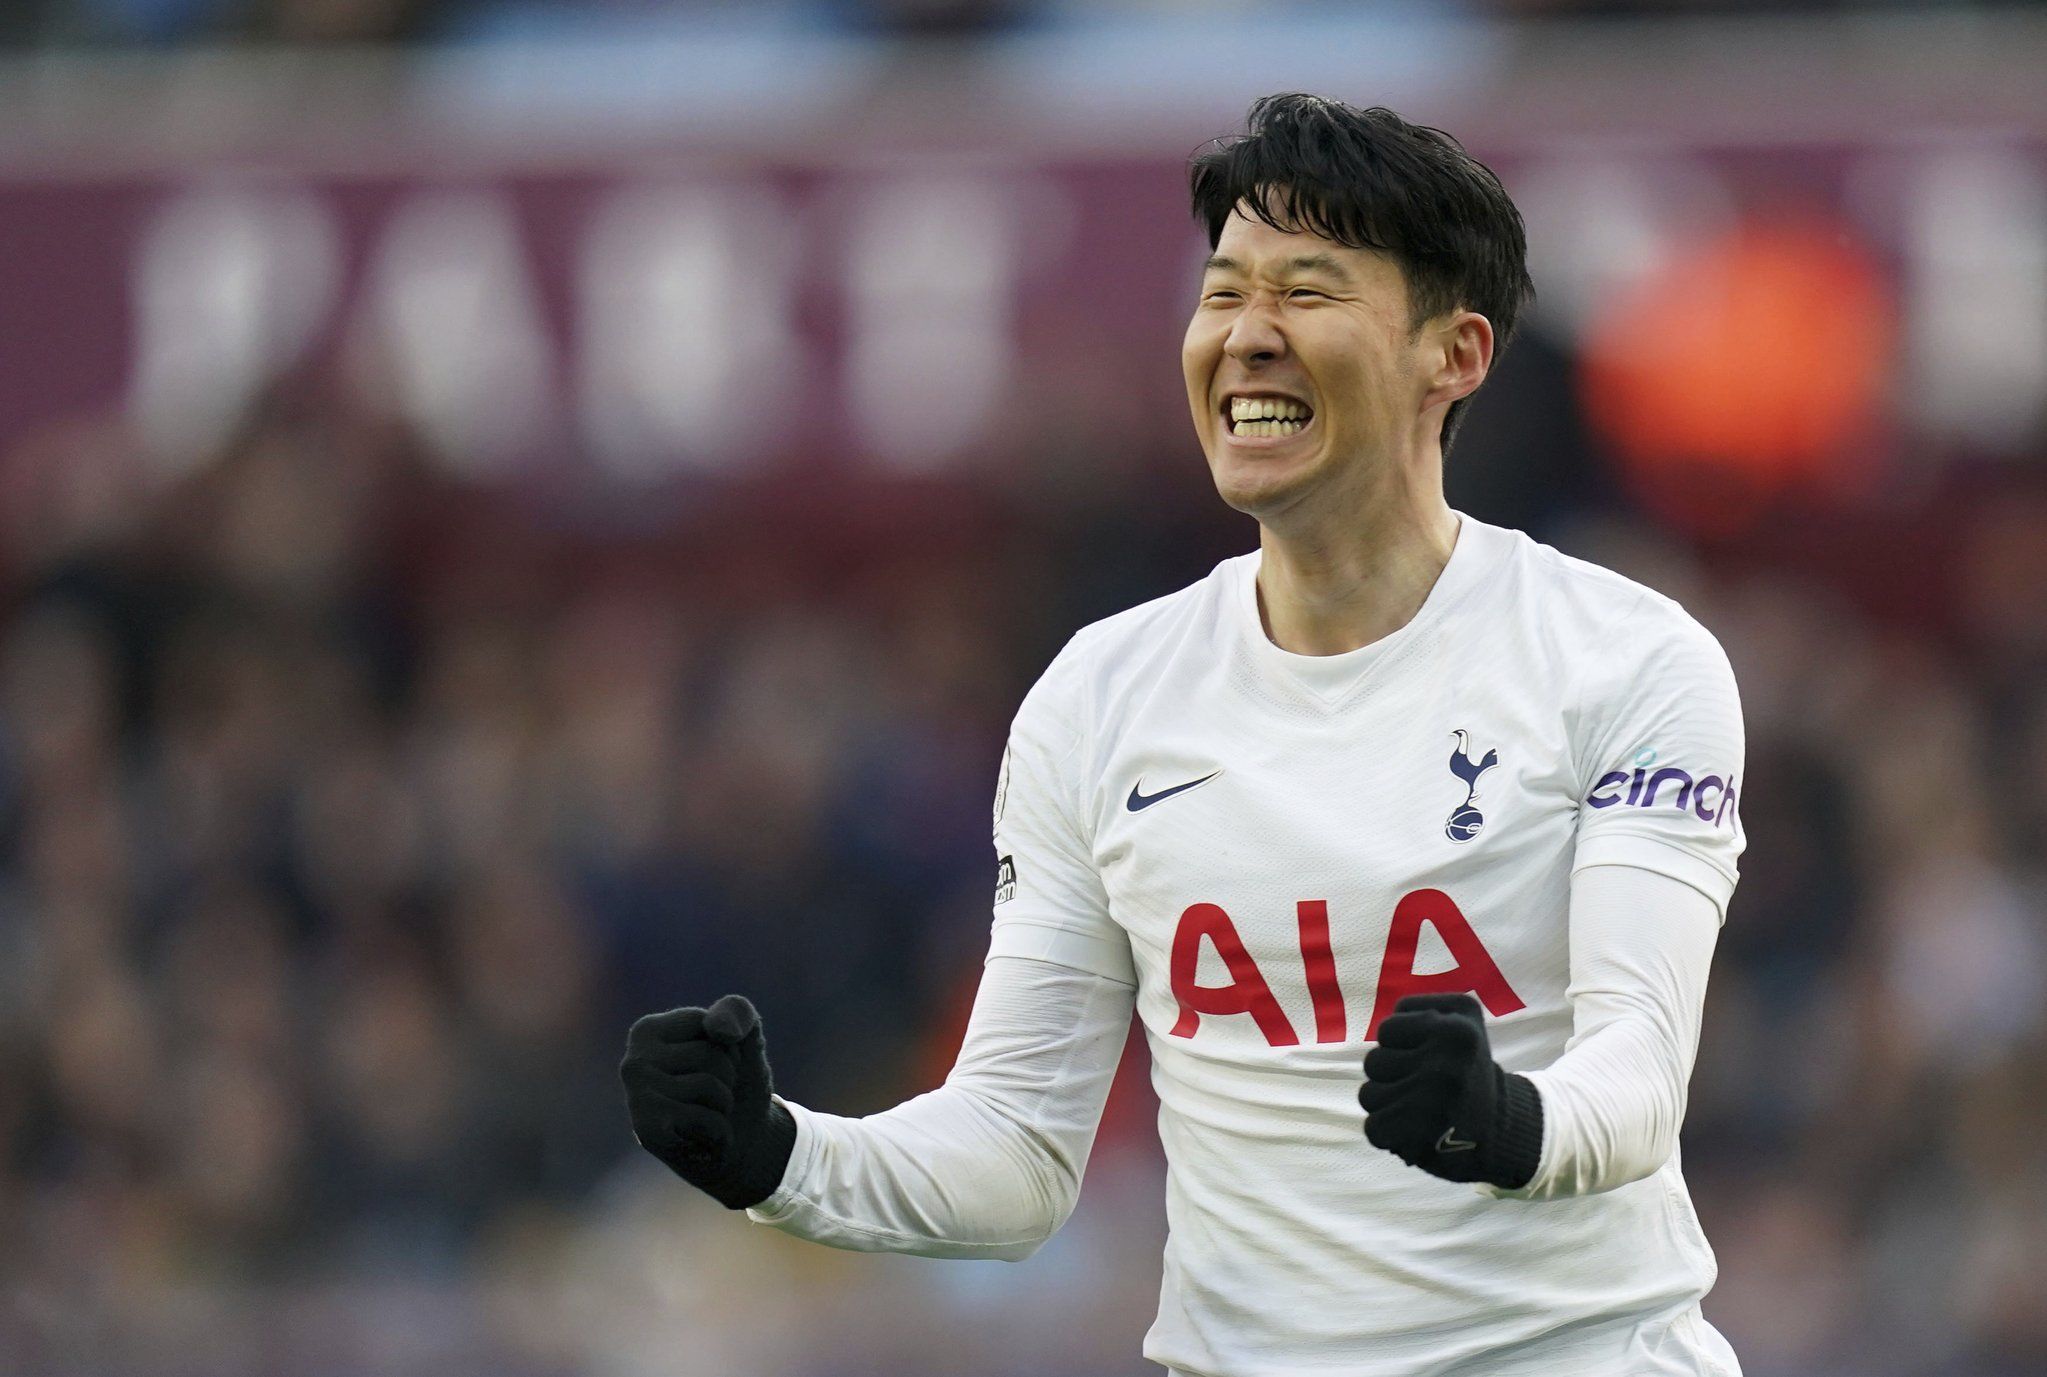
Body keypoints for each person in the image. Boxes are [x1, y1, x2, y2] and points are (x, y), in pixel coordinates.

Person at [620, 92, 1747, 1377]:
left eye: (1306, 292)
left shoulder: (1627, 662)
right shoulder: (1102, 698)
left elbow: (1636, 1070)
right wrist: (774, 1153)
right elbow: (1015, 1151)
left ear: (1454, 354)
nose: (1248, 336)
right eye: (1223, 295)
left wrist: (1510, 1123)